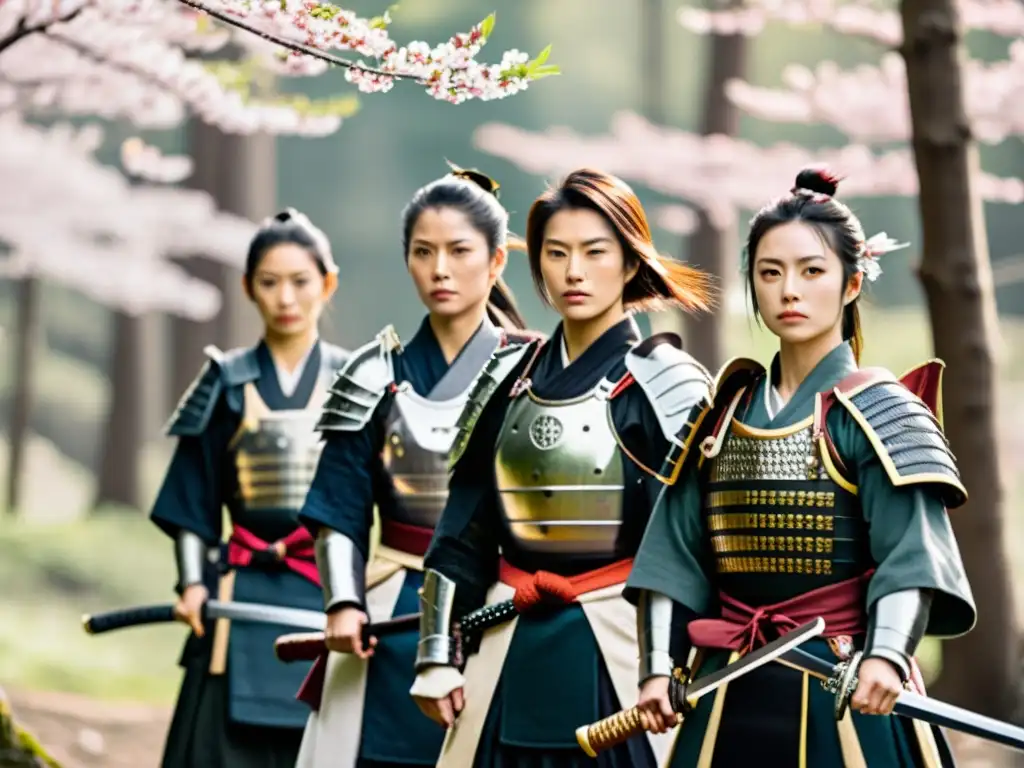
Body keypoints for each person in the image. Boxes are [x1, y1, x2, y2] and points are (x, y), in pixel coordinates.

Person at [626, 168, 977, 767]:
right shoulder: (723, 412)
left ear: (850, 282)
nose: (790, 290)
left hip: (846, 683)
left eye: (812, 271)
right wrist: (658, 668)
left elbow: (913, 554)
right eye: (770, 272)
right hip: (726, 684)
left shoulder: (879, 410)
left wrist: (888, 655)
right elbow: (670, 555)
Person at [408, 168, 716, 767]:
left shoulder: (666, 384)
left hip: (623, 652)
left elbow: (683, 544)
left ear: (630, 264)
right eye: (557, 253)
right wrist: (437, 654)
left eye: (594, 253)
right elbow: (461, 530)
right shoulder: (505, 377)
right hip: (509, 642)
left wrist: (666, 665)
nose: (574, 272)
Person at [293, 167, 539, 768]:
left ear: (496, 261)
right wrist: (343, 603)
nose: (440, 270)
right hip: (391, 608)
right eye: (423, 252)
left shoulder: (535, 373)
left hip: (496, 604)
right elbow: (339, 508)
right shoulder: (373, 373)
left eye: (459, 251)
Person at [150, 209, 349, 768]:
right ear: (248, 288)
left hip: (327, 592)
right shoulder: (226, 382)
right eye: (269, 282)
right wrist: (192, 583)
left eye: (300, 281)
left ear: (327, 283)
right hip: (236, 593)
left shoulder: (355, 383)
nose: (286, 297)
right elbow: (193, 496)